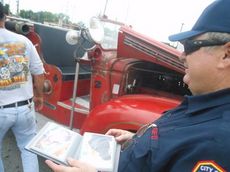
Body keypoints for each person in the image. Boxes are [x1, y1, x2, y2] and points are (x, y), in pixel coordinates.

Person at [46, 0, 230, 171]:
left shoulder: (218, 143)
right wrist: (138, 139)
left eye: (189, 46)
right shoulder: (206, 104)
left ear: (226, 55)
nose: (182, 55)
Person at [0, 2, 44, 172]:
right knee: (28, 149)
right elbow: (39, 73)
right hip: (25, 107)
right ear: (5, 17)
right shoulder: (24, 41)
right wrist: (39, 97)